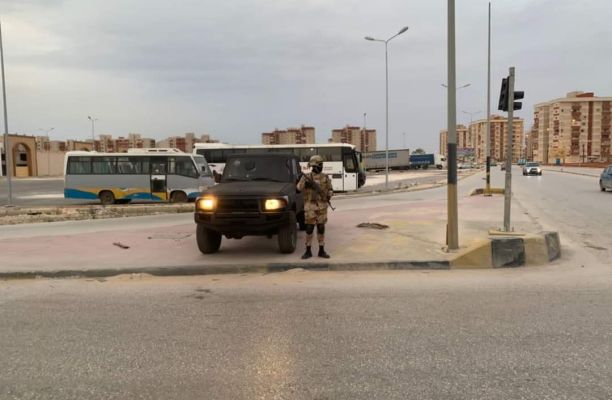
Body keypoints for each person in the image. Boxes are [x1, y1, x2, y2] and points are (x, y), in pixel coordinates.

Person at [296, 155, 333, 259]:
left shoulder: (325, 177)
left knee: (321, 227)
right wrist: (305, 184)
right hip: (310, 206)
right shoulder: (306, 177)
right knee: (309, 228)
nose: (322, 166)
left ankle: (321, 250)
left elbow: (330, 189)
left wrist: (329, 196)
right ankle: (308, 250)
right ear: (315, 166)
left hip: (322, 206)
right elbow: (298, 189)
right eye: (320, 165)